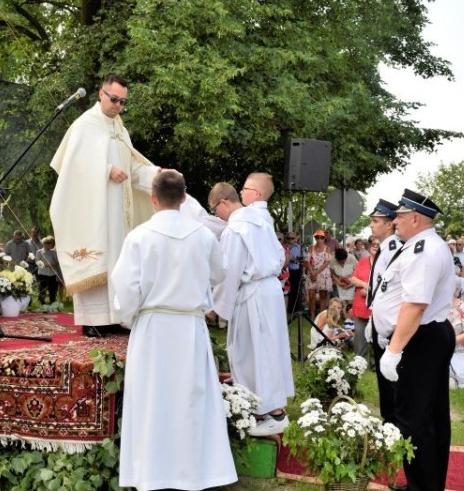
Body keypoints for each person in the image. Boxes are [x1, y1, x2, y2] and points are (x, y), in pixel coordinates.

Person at [111, 171, 237, 490]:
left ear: (153, 198)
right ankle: (194, 472)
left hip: (153, 328)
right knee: (190, 401)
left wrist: (128, 316)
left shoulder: (139, 236)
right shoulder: (204, 235)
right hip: (189, 327)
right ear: (183, 198)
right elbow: (219, 273)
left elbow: (125, 290)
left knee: (152, 400)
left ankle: (152, 473)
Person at [49, 75, 162, 336]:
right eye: (114, 99)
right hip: (94, 211)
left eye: (123, 102)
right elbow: (72, 167)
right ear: (101, 94)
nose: (118, 106)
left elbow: (133, 167)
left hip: (119, 212)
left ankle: (115, 316)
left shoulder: (121, 131)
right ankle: (92, 320)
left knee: (120, 261)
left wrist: (156, 174)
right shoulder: (84, 126)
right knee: (98, 258)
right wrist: (107, 169)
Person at [371, 189, 455, 491]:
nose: (396, 223)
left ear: (416, 218)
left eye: (401, 217)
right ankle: (424, 484)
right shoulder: (418, 245)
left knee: (416, 418)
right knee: (424, 415)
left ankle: (421, 486)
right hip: (421, 336)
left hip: (419, 338)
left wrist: (394, 350)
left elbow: (415, 305)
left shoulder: (424, 249)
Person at [208, 182, 294, 437]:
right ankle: (269, 408)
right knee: (269, 349)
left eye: (215, 210)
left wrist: (214, 308)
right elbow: (281, 257)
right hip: (270, 289)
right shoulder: (260, 221)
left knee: (253, 352)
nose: (216, 216)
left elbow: (228, 273)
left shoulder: (236, 229)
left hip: (253, 293)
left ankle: (270, 412)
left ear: (224, 202)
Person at [365, 199, 402, 424]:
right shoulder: (386, 248)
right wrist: (373, 319)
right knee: (383, 379)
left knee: (391, 379)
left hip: (390, 325)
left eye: (375, 221)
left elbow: (393, 292)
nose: (371, 225)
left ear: (389, 224)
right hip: (380, 321)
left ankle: (394, 423)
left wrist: (387, 326)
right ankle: (389, 420)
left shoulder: (394, 249)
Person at [349, 237, 378, 361]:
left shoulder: (385, 262)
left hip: (377, 306)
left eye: (379, 243)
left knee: (376, 336)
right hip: (361, 304)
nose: (375, 246)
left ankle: (374, 363)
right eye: (372, 243)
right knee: (360, 335)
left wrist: (368, 291)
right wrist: (366, 285)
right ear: (368, 245)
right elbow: (353, 279)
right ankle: (359, 362)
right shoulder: (362, 261)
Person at [305, 229, 334, 320]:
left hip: (323, 274)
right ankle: (313, 317)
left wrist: (316, 272)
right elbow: (307, 261)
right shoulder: (310, 247)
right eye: (317, 237)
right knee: (311, 295)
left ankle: (321, 317)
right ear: (315, 238)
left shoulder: (327, 248)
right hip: (312, 273)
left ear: (324, 238)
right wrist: (312, 272)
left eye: (321, 237)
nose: (319, 239)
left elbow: (327, 262)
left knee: (323, 296)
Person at [35, 236, 60, 305]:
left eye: (50, 243)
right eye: (47, 243)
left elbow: (57, 261)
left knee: (53, 289)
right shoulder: (39, 252)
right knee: (42, 289)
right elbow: (37, 262)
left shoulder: (53, 252)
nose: (49, 245)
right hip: (42, 273)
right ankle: (42, 302)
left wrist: (53, 264)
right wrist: (46, 265)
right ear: (43, 244)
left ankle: (52, 302)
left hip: (52, 273)